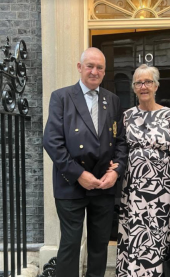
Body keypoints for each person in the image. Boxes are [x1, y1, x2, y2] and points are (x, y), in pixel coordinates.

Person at [43, 47, 128, 277]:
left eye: (99, 67)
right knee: (70, 245)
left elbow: (121, 142)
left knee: (99, 246)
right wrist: (79, 174)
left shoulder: (112, 100)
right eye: (90, 66)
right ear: (80, 67)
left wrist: (116, 171)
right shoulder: (61, 97)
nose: (94, 71)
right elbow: (51, 141)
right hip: (71, 184)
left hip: (103, 185)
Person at [116, 64, 170, 277]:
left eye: (148, 82)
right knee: (135, 237)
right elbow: (117, 149)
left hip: (163, 191)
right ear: (134, 87)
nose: (143, 86)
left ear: (156, 86)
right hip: (134, 191)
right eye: (139, 82)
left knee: (158, 238)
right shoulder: (126, 116)